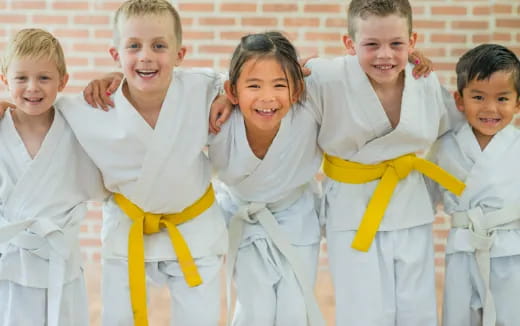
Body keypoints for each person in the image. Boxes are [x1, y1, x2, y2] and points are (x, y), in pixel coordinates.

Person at [55, 0, 228, 325]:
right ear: (116, 55)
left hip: (193, 229)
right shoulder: (94, 106)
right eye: (133, 46)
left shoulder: (200, 88)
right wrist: (9, 109)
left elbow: (241, 79)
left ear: (180, 54)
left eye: (159, 45)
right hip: (128, 230)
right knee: (119, 318)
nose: (146, 55)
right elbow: (42, 111)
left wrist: (226, 94)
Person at [303, 0, 465, 324]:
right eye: (371, 44)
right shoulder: (323, 77)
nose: (385, 55)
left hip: (409, 205)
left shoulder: (424, 81)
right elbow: (274, 86)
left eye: (396, 44)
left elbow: (455, 132)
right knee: (361, 309)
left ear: (413, 42)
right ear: (349, 44)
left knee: (416, 308)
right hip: (351, 210)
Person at [208, 31, 324, 326]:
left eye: (279, 85)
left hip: (297, 216)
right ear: (232, 91)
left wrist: (414, 64)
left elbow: (356, 69)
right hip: (242, 217)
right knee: (254, 309)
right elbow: (175, 83)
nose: (267, 97)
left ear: (296, 90)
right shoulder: (217, 117)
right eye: (254, 85)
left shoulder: (307, 109)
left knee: (294, 310)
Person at [0, 28, 106, 326]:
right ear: (5, 80)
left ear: (63, 81)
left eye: (44, 78)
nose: (32, 87)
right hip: (9, 266)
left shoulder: (76, 125)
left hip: (60, 262)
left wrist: (110, 78)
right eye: (21, 78)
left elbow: (123, 114)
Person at [427, 44, 520, 326]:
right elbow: (425, 198)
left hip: (511, 252)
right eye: (478, 97)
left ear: (518, 103)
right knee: (459, 317)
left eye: (502, 99)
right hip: (462, 249)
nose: (490, 108)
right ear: (459, 100)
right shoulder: (445, 147)